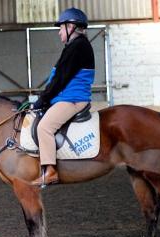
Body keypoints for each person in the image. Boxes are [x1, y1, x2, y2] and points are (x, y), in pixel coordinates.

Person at [31, 8, 95, 187]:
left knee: (44, 127)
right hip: (66, 97)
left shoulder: (78, 46)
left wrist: (42, 100)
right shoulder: (74, 46)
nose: (59, 32)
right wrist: (44, 99)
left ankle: (50, 171)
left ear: (71, 27)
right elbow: (58, 77)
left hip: (73, 99)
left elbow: (61, 79)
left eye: (61, 28)